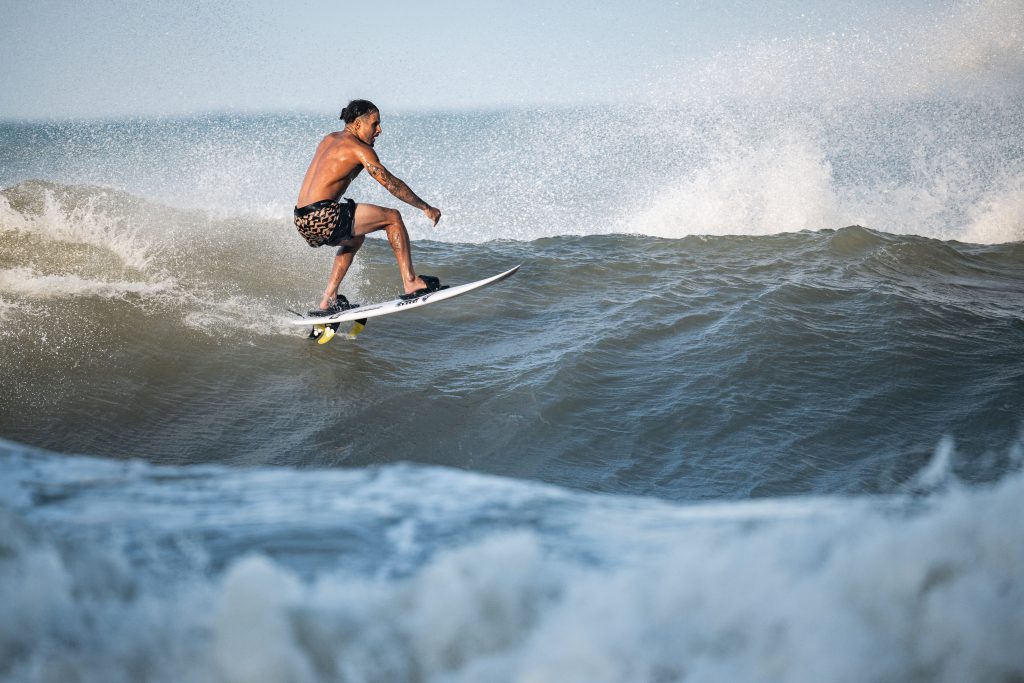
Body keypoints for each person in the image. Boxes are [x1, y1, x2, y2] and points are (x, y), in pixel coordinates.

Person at [294, 99, 442, 315]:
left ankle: (328, 298)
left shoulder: (329, 139)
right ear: (357, 124)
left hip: (301, 220)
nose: (379, 130)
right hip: (322, 215)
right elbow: (391, 184)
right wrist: (425, 207)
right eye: (375, 124)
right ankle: (411, 282)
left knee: (355, 237)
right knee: (393, 217)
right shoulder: (359, 148)